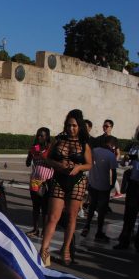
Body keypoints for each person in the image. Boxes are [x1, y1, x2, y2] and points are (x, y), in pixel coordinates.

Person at [40, 109, 92, 266]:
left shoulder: (84, 144)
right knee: (52, 217)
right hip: (59, 180)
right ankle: (44, 250)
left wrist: (78, 168)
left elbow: (89, 164)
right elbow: (46, 159)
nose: (71, 128)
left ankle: (66, 249)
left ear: (80, 126)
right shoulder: (58, 140)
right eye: (69, 125)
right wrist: (58, 164)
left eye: (75, 126)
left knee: (71, 218)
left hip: (77, 182)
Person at [81, 136, 117, 242]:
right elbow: (113, 172)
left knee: (92, 207)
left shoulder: (94, 151)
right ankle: (99, 231)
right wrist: (112, 185)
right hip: (104, 186)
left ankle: (87, 226)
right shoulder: (111, 155)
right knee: (101, 210)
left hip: (93, 184)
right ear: (111, 145)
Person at [25, 127, 54, 237]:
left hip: (46, 181)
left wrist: (43, 156)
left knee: (45, 208)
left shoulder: (50, 149)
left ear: (47, 137)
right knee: (35, 207)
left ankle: (44, 230)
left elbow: (53, 163)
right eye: (38, 135)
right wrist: (30, 154)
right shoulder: (35, 148)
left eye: (42, 135)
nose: (39, 137)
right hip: (35, 181)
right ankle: (35, 229)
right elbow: (28, 163)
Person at [114, 128, 139, 250]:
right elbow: (125, 164)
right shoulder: (134, 147)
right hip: (134, 185)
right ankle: (124, 240)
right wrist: (126, 160)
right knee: (129, 214)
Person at [97, 119, 122, 198]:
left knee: (110, 182)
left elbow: (118, 153)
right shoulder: (99, 139)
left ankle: (117, 193)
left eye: (107, 126)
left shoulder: (114, 139)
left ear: (111, 127)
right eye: (104, 126)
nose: (105, 127)